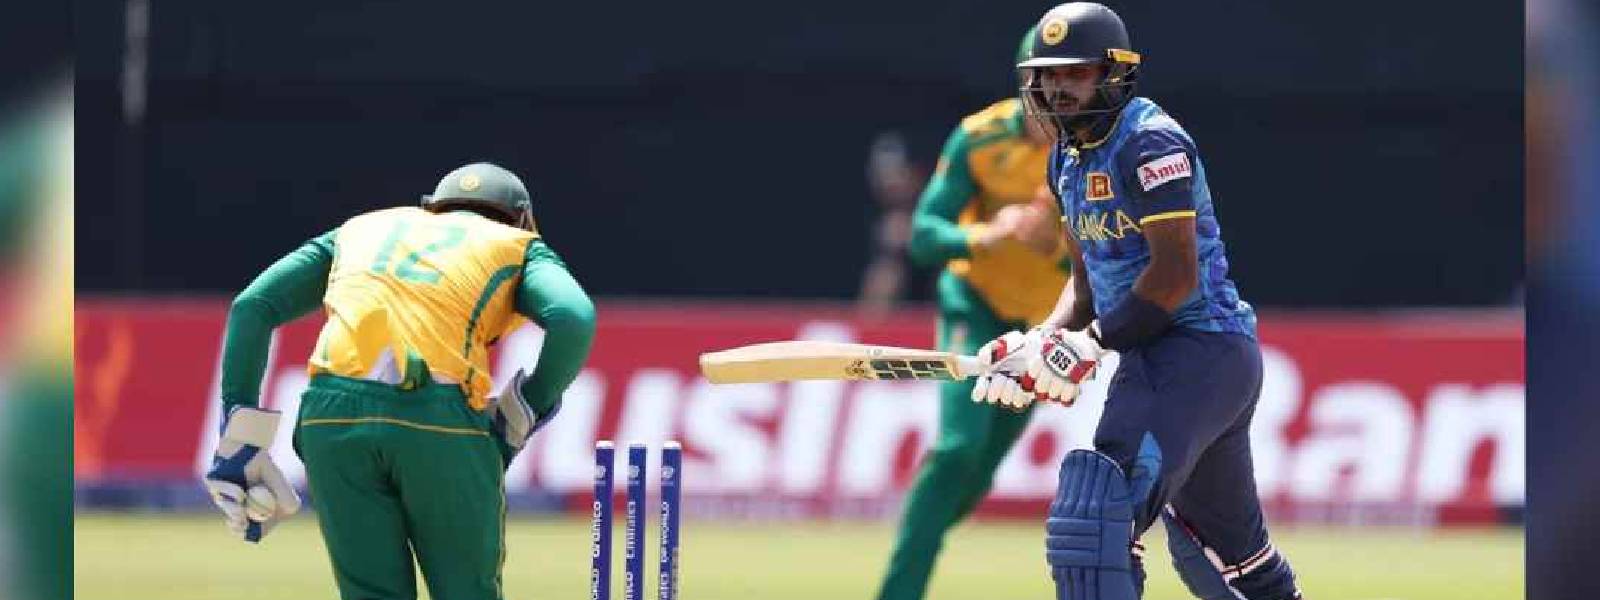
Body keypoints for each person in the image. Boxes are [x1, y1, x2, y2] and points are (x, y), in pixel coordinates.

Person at [968, 4, 1304, 599]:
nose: (1059, 88)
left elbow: (1174, 278)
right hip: (1163, 361)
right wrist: (1040, 343)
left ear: (1114, 74)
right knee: (1229, 561)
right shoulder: (1065, 159)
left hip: (1200, 352)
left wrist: (1089, 345)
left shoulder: (1149, 142)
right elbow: (1086, 286)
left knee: (1096, 521)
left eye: (1076, 73)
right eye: (1048, 75)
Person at [202, 162, 596, 600]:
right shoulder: (518, 244)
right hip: (437, 418)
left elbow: (254, 306)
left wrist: (241, 436)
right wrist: (527, 408)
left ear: (433, 207)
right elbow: (573, 317)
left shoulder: (360, 229)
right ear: (522, 218)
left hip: (330, 416)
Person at [873, 26, 1070, 600]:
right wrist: (986, 235)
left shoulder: (1092, 154)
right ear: (1026, 85)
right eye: (1045, 85)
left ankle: (924, 525)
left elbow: (1112, 255)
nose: (1056, 103)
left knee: (977, 473)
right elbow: (923, 236)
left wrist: (1055, 245)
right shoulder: (980, 137)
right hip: (976, 303)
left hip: (1042, 327)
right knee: (959, 447)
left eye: (1069, 84)